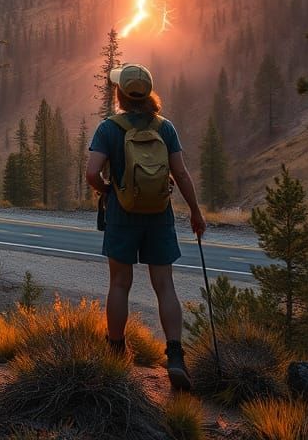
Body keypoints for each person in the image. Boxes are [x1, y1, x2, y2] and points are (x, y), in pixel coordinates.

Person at [85, 63, 207, 391]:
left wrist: (109, 190)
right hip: (159, 214)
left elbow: (92, 172)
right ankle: (176, 356)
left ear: (121, 93)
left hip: (122, 215)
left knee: (120, 284)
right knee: (164, 285)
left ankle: (115, 350)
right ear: (148, 94)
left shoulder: (109, 129)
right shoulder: (164, 128)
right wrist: (195, 212)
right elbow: (180, 174)